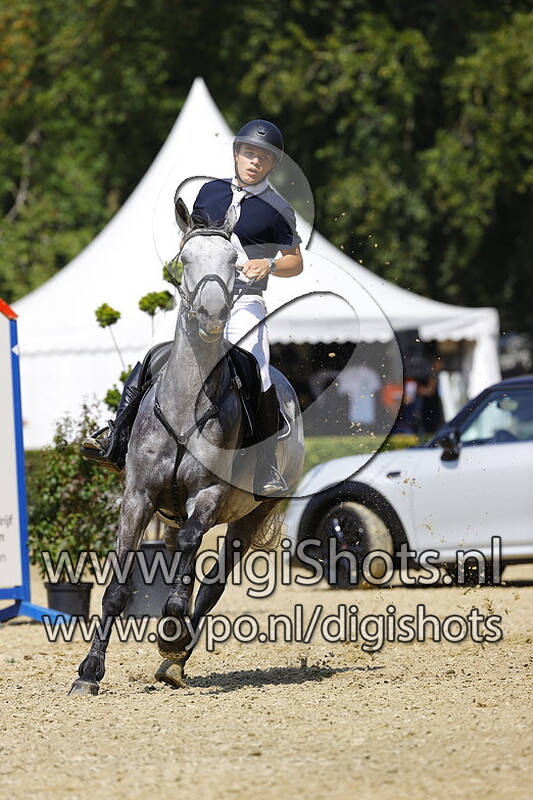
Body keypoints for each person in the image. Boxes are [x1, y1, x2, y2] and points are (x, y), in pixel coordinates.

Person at [84, 119, 303, 496]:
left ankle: (266, 463)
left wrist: (268, 264)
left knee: (258, 366)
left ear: (273, 164)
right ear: (236, 154)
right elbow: (192, 237)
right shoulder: (210, 193)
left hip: (245, 300)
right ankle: (117, 437)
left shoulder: (278, 209)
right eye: (249, 153)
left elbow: (295, 261)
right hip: (199, 299)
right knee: (152, 351)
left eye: (263, 157)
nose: (254, 161)